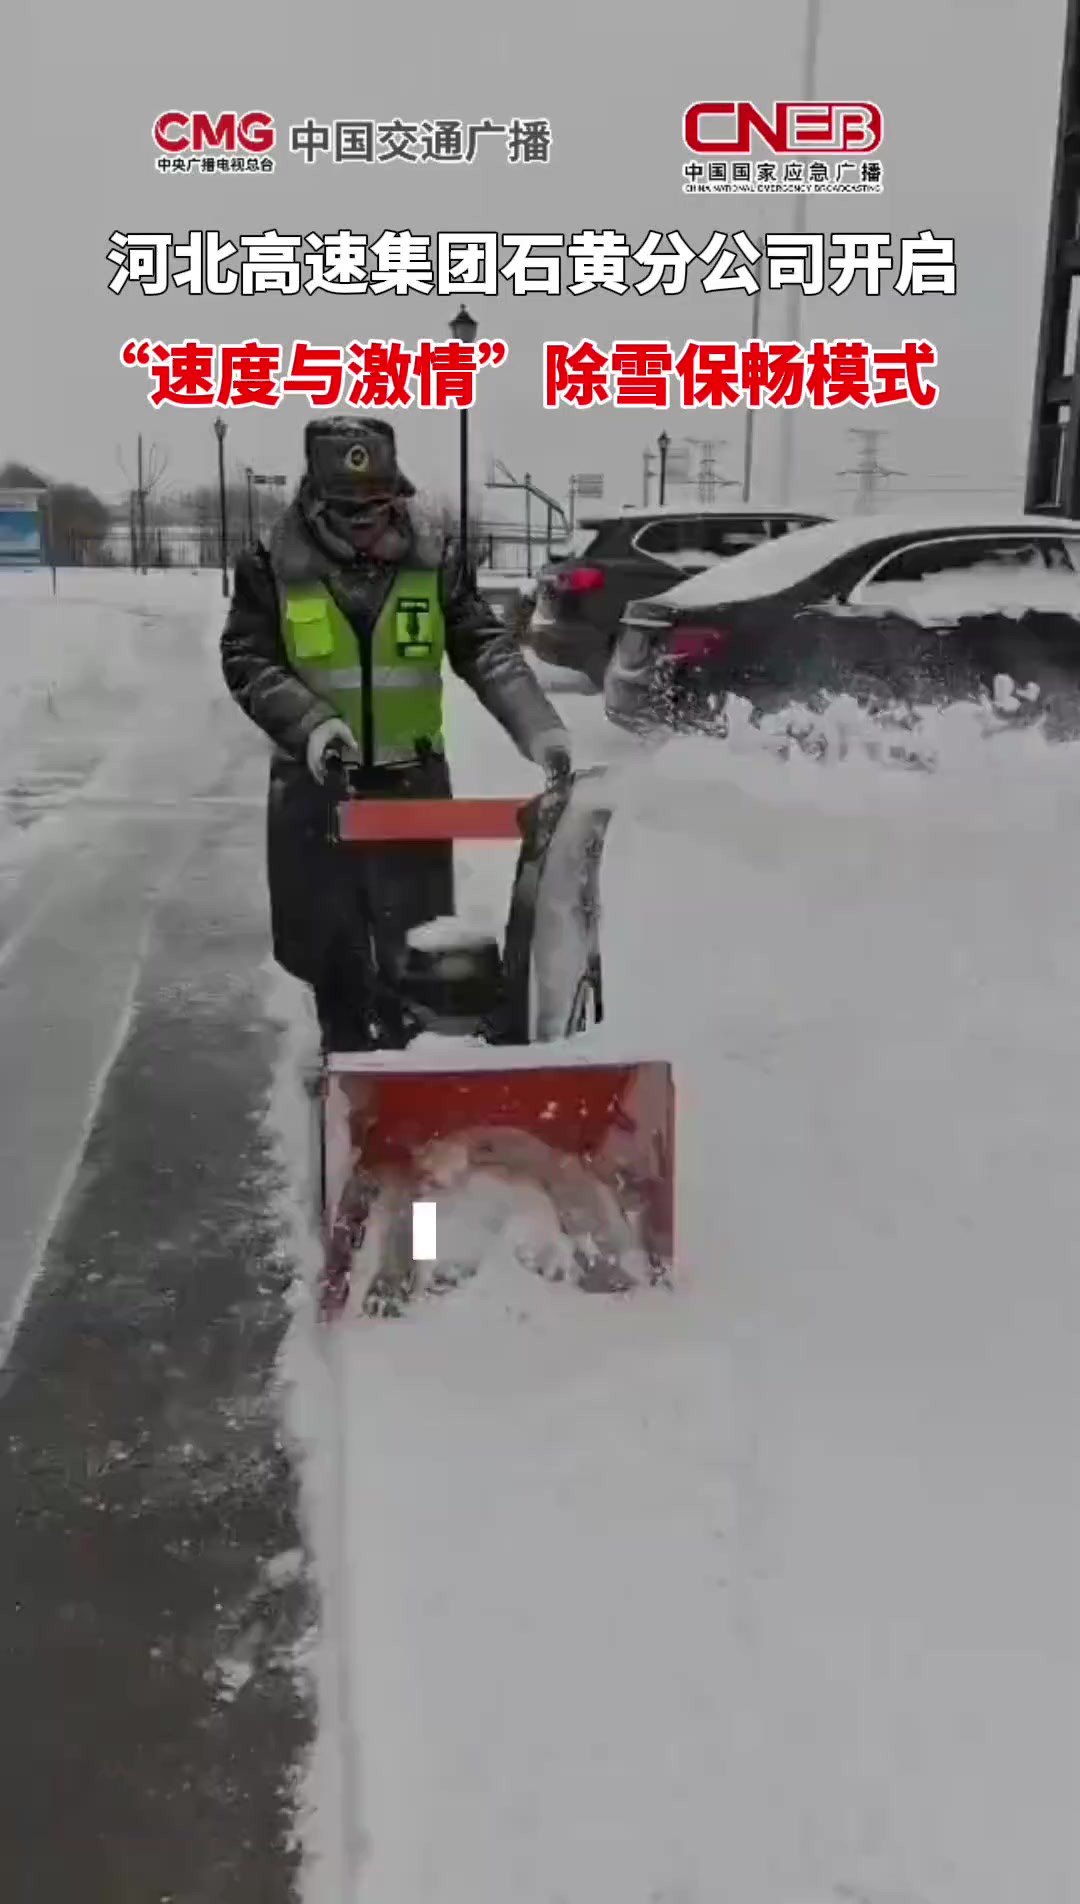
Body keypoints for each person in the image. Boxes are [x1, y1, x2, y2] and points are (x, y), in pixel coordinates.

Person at [220, 414, 572, 1051]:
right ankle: (344, 1080)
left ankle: (415, 1089)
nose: (364, 520)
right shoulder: (270, 565)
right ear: (313, 496)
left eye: (377, 505)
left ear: (397, 494)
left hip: (412, 784)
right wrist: (313, 725)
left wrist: (540, 729)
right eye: (346, 507)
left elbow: (487, 649)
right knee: (329, 954)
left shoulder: (434, 562)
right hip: (315, 787)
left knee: (416, 952)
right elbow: (248, 658)